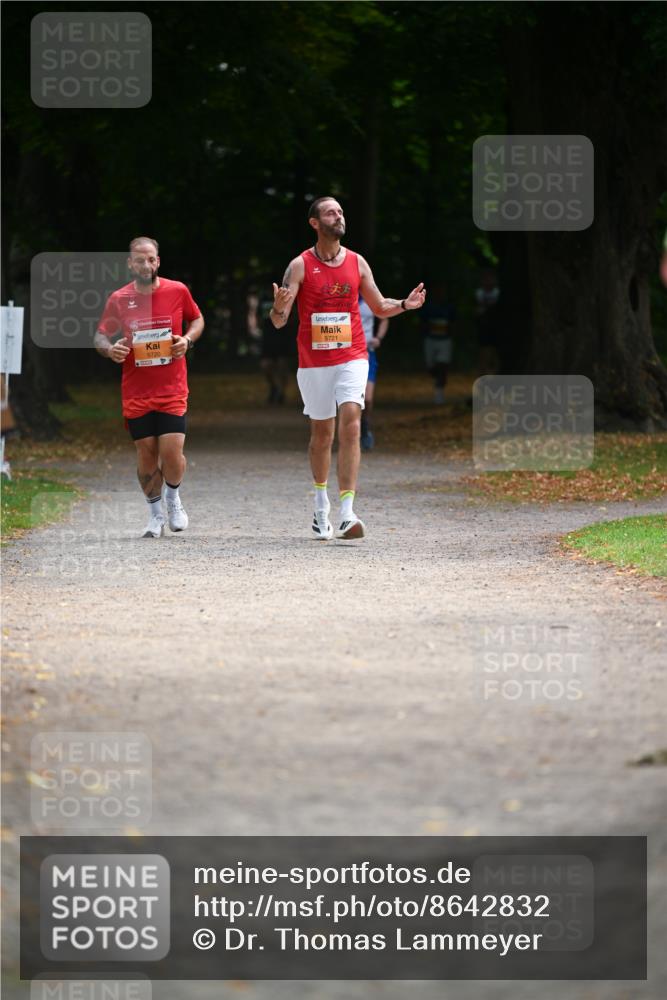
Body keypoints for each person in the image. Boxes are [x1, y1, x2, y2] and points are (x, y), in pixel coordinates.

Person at [270, 196, 425, 540]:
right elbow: (279, 321)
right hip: (313, 362)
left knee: (352, 421)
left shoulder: (357, 263)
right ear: (315, 222)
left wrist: (404, 304)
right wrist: (278, 308)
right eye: (330, 212)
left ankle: (347, 512)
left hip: (352, 354)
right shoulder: (299, 265)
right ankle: (320, 504)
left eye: (341, 211)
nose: (338, 216)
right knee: (322, 435)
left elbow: (380, 305)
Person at [94, 237, 204, 538]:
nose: (146, 264)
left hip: (172, 387)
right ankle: (155, 515)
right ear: (131, 264)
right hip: (136, 391)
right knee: (146, 453)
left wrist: (187, 340)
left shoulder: (177, 290)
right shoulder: (119, 298)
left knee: (171, 452)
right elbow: (100, 335)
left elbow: (197, 319)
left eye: (151, 259)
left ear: (158, 261)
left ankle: (172, 498)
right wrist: (109, 349)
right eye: (140, 260)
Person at [358, 293, 389, 451]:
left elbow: (384, 317)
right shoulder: (341, 296)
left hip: (367, 353)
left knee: (367, 399)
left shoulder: (369, 297)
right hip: (346, 354)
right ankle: (350, 432)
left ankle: (365, 428)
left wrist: (378, 338)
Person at [421, 282, 456, 404]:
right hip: (430, 340)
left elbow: (454, 324)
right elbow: (423, 323)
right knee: (432, 368)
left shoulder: (449, 307)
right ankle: (439, 380)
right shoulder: (428, 307)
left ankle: (439, 393)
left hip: (445, 341)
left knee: (442, 366)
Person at [474, 268, 500, 374]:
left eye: (490, 278)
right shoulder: (479, 293)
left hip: (497, 326)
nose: (488, 281)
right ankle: (482, 373)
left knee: (495, 352)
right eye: (486, 279)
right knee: (483, 351)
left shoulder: (497, 293)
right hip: (484, 326)